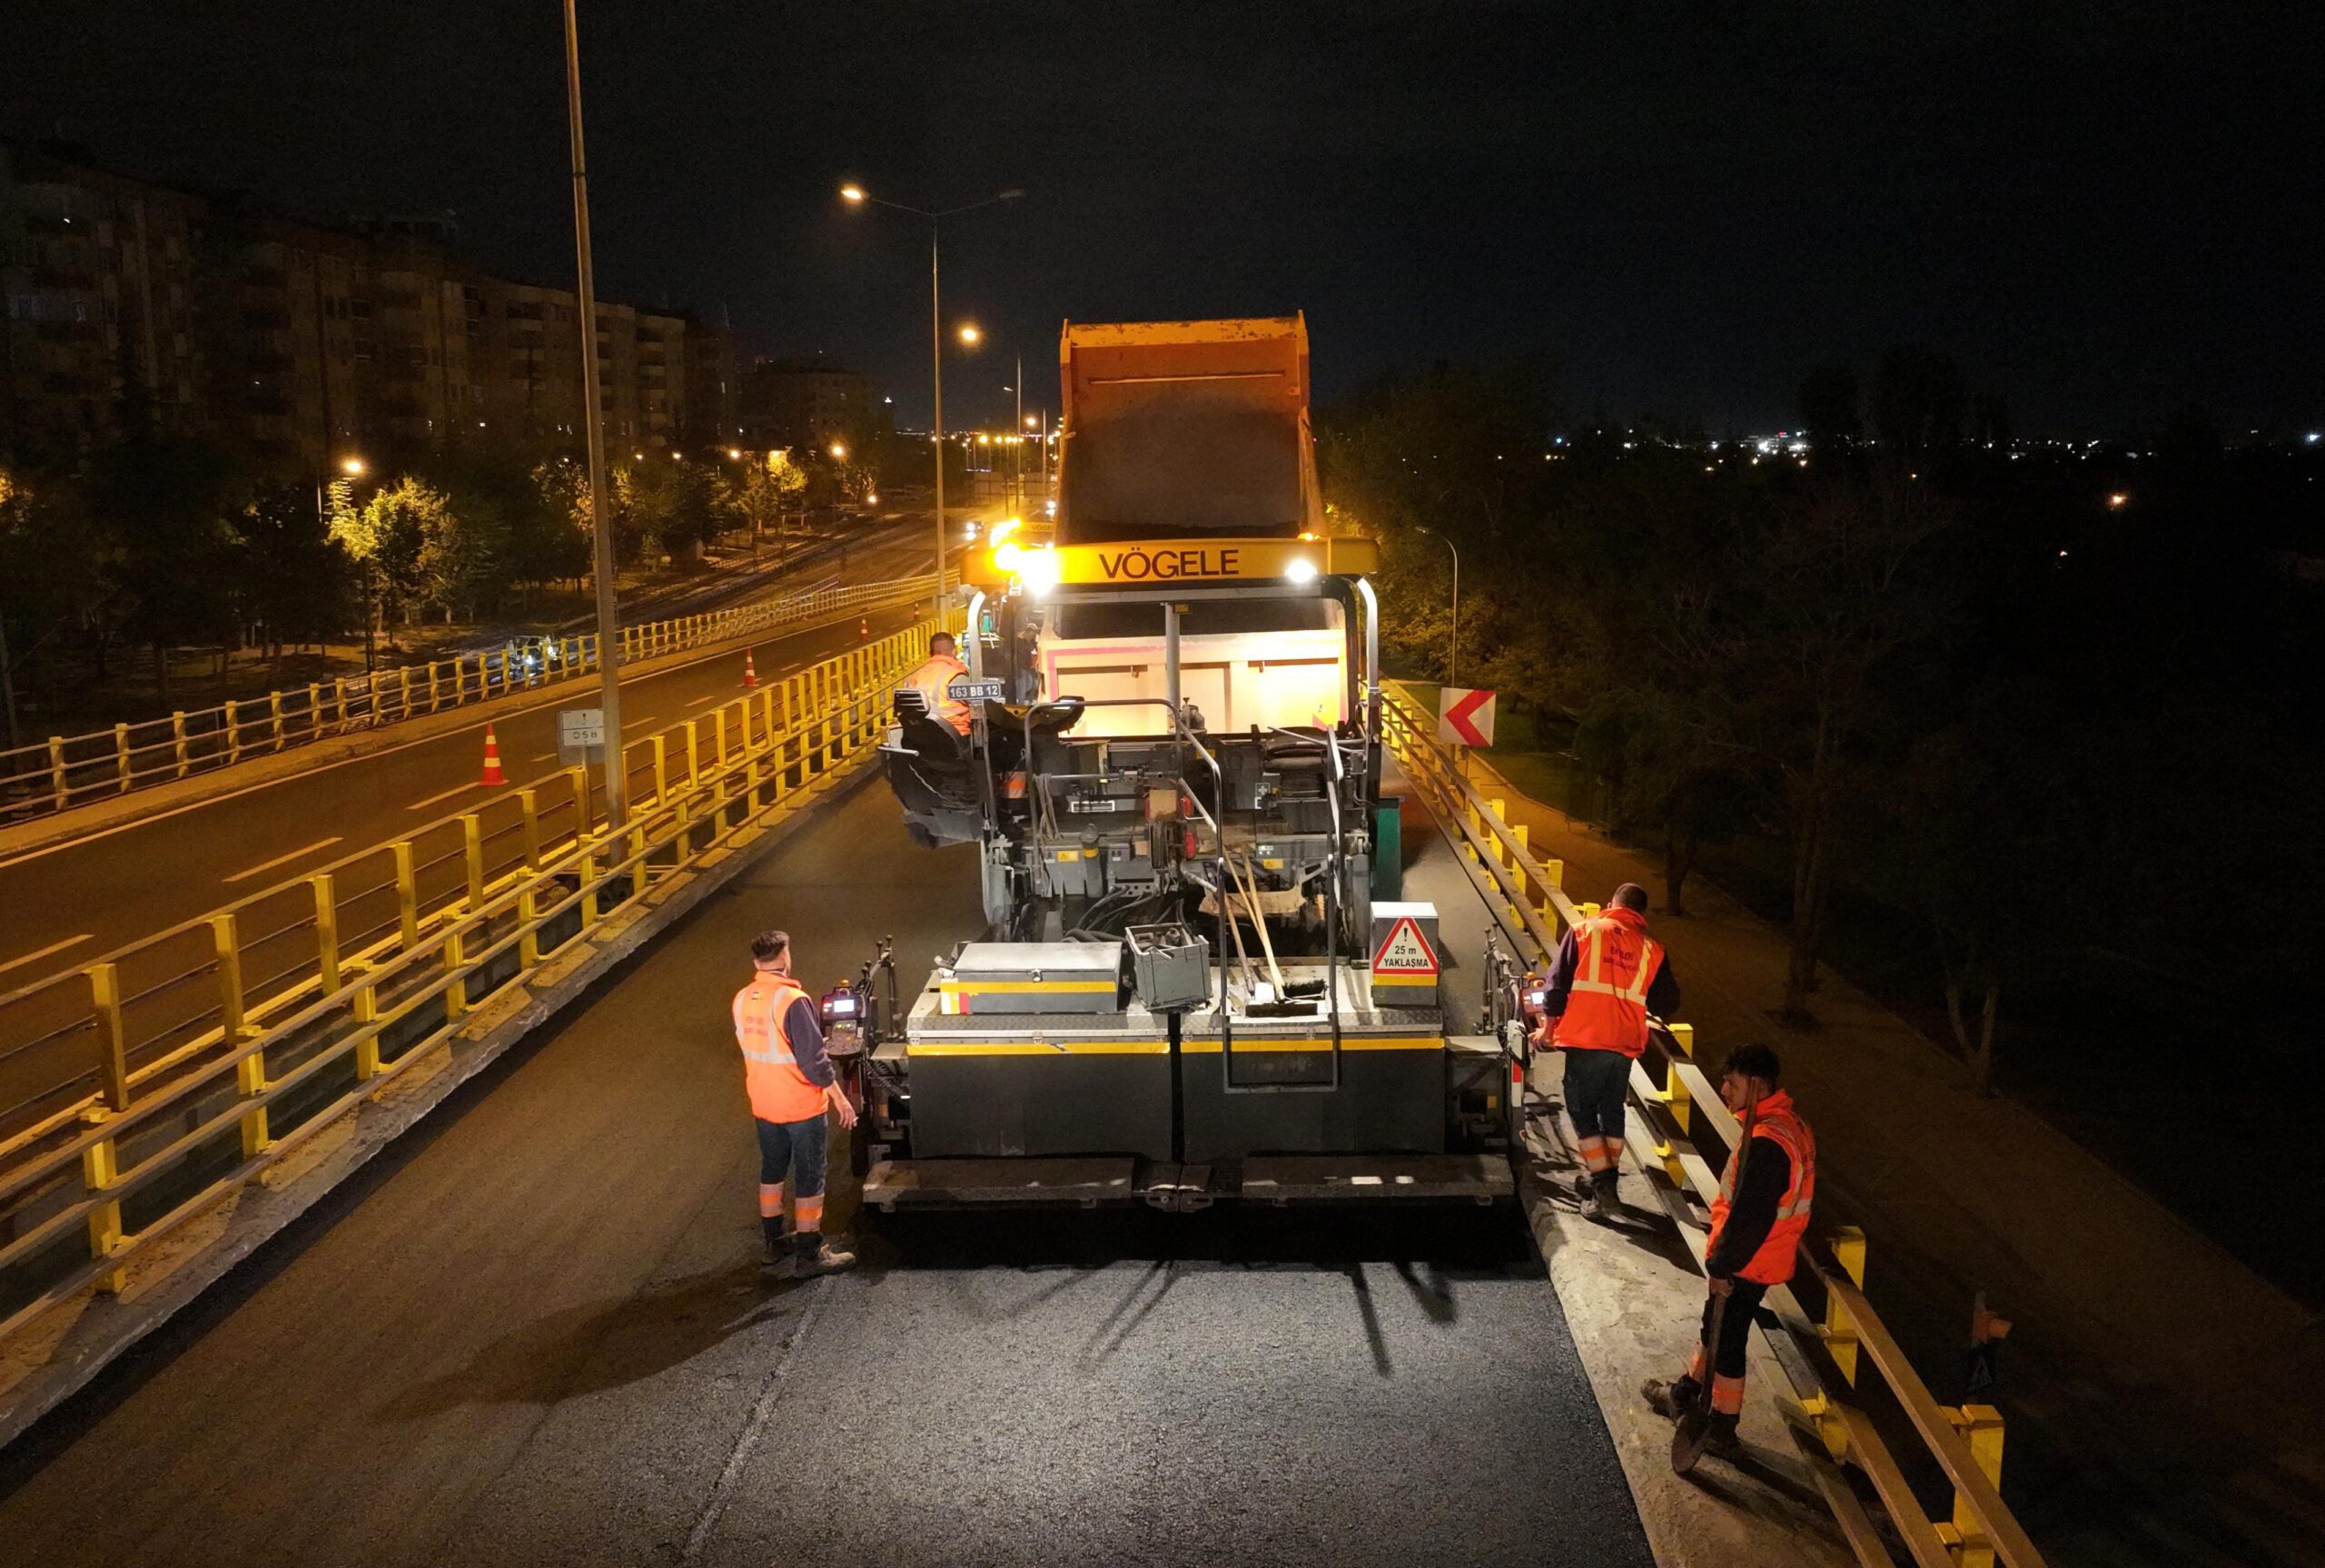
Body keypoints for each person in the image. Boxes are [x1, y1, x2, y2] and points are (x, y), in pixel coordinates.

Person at [1642, 1042, 1816, 1453]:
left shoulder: (1769, 1143)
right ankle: (1686, 1394)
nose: (1724, 1089)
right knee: (1715, 1325)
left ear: (1757, 1085)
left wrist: (1722, 1267)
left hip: (1749, 1260)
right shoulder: (1788, 1125)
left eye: (1731, 1082)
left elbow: (1750, 1216)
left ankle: (1722, 1428)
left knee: (1729, 1336)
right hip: (1763, 1254)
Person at [1534, 882, 1679, 1220]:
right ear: (1639, 914)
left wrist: (1549, 1029)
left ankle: (1604, 1189)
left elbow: (1555, 987)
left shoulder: (1585, 930)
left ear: (1611, 903)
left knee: (1583, 1112)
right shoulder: (1652, 948)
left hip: (1588, 1037)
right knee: (1611, 1110)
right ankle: (1603, 1177)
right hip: (1625, 1042)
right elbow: (1668, 1002)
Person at [731, 929, 858, 1277]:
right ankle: (810, 1253)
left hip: (763, 1103)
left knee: (772, 1172)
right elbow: (815, 1062)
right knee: (809, 1176)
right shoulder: (792, 1001)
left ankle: (774, 1244)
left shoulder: (742, 998)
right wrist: (840, 1098)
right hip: (800, 1106)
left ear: (756, 961)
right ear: (785, 957)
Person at [901, 631, 972, 736]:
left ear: (931, 653)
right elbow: (979, 703)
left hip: (921, 739)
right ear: (954, 651)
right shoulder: (955, 676)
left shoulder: (914, 677)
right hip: (954, 738)